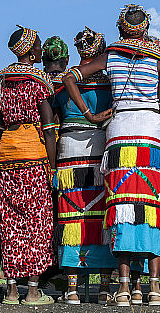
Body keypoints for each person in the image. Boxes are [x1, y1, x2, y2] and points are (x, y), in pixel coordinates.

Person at [63, 4, 160, 307]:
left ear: (121, 28)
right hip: (152, 140)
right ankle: (154, 289)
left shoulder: (110, 55)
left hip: (119, 139)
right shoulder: (158, 59)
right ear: (146, 28)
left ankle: (125, 287)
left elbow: (69, 77)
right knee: (153, 210)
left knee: (122, 209)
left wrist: (90, 115)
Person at [0, 26, 57, 305]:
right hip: (33, 156)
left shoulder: (1, 79)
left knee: (10, 222)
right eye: (39, 47)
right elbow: (48, 128)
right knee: (37, 221)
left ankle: (10, 290)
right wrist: (52, 167)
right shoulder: (38, 80)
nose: (41, 51)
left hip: (6, 157)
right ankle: (32, 290)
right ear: (32, 51)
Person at [54, 27, 115, 304]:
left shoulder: (57, 82)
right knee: (101, 215)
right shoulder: (109, 80)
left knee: (71, 214)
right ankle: (103, 287)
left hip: (68, 151)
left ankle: (72, 289)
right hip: (98, 147)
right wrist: (93, 116)